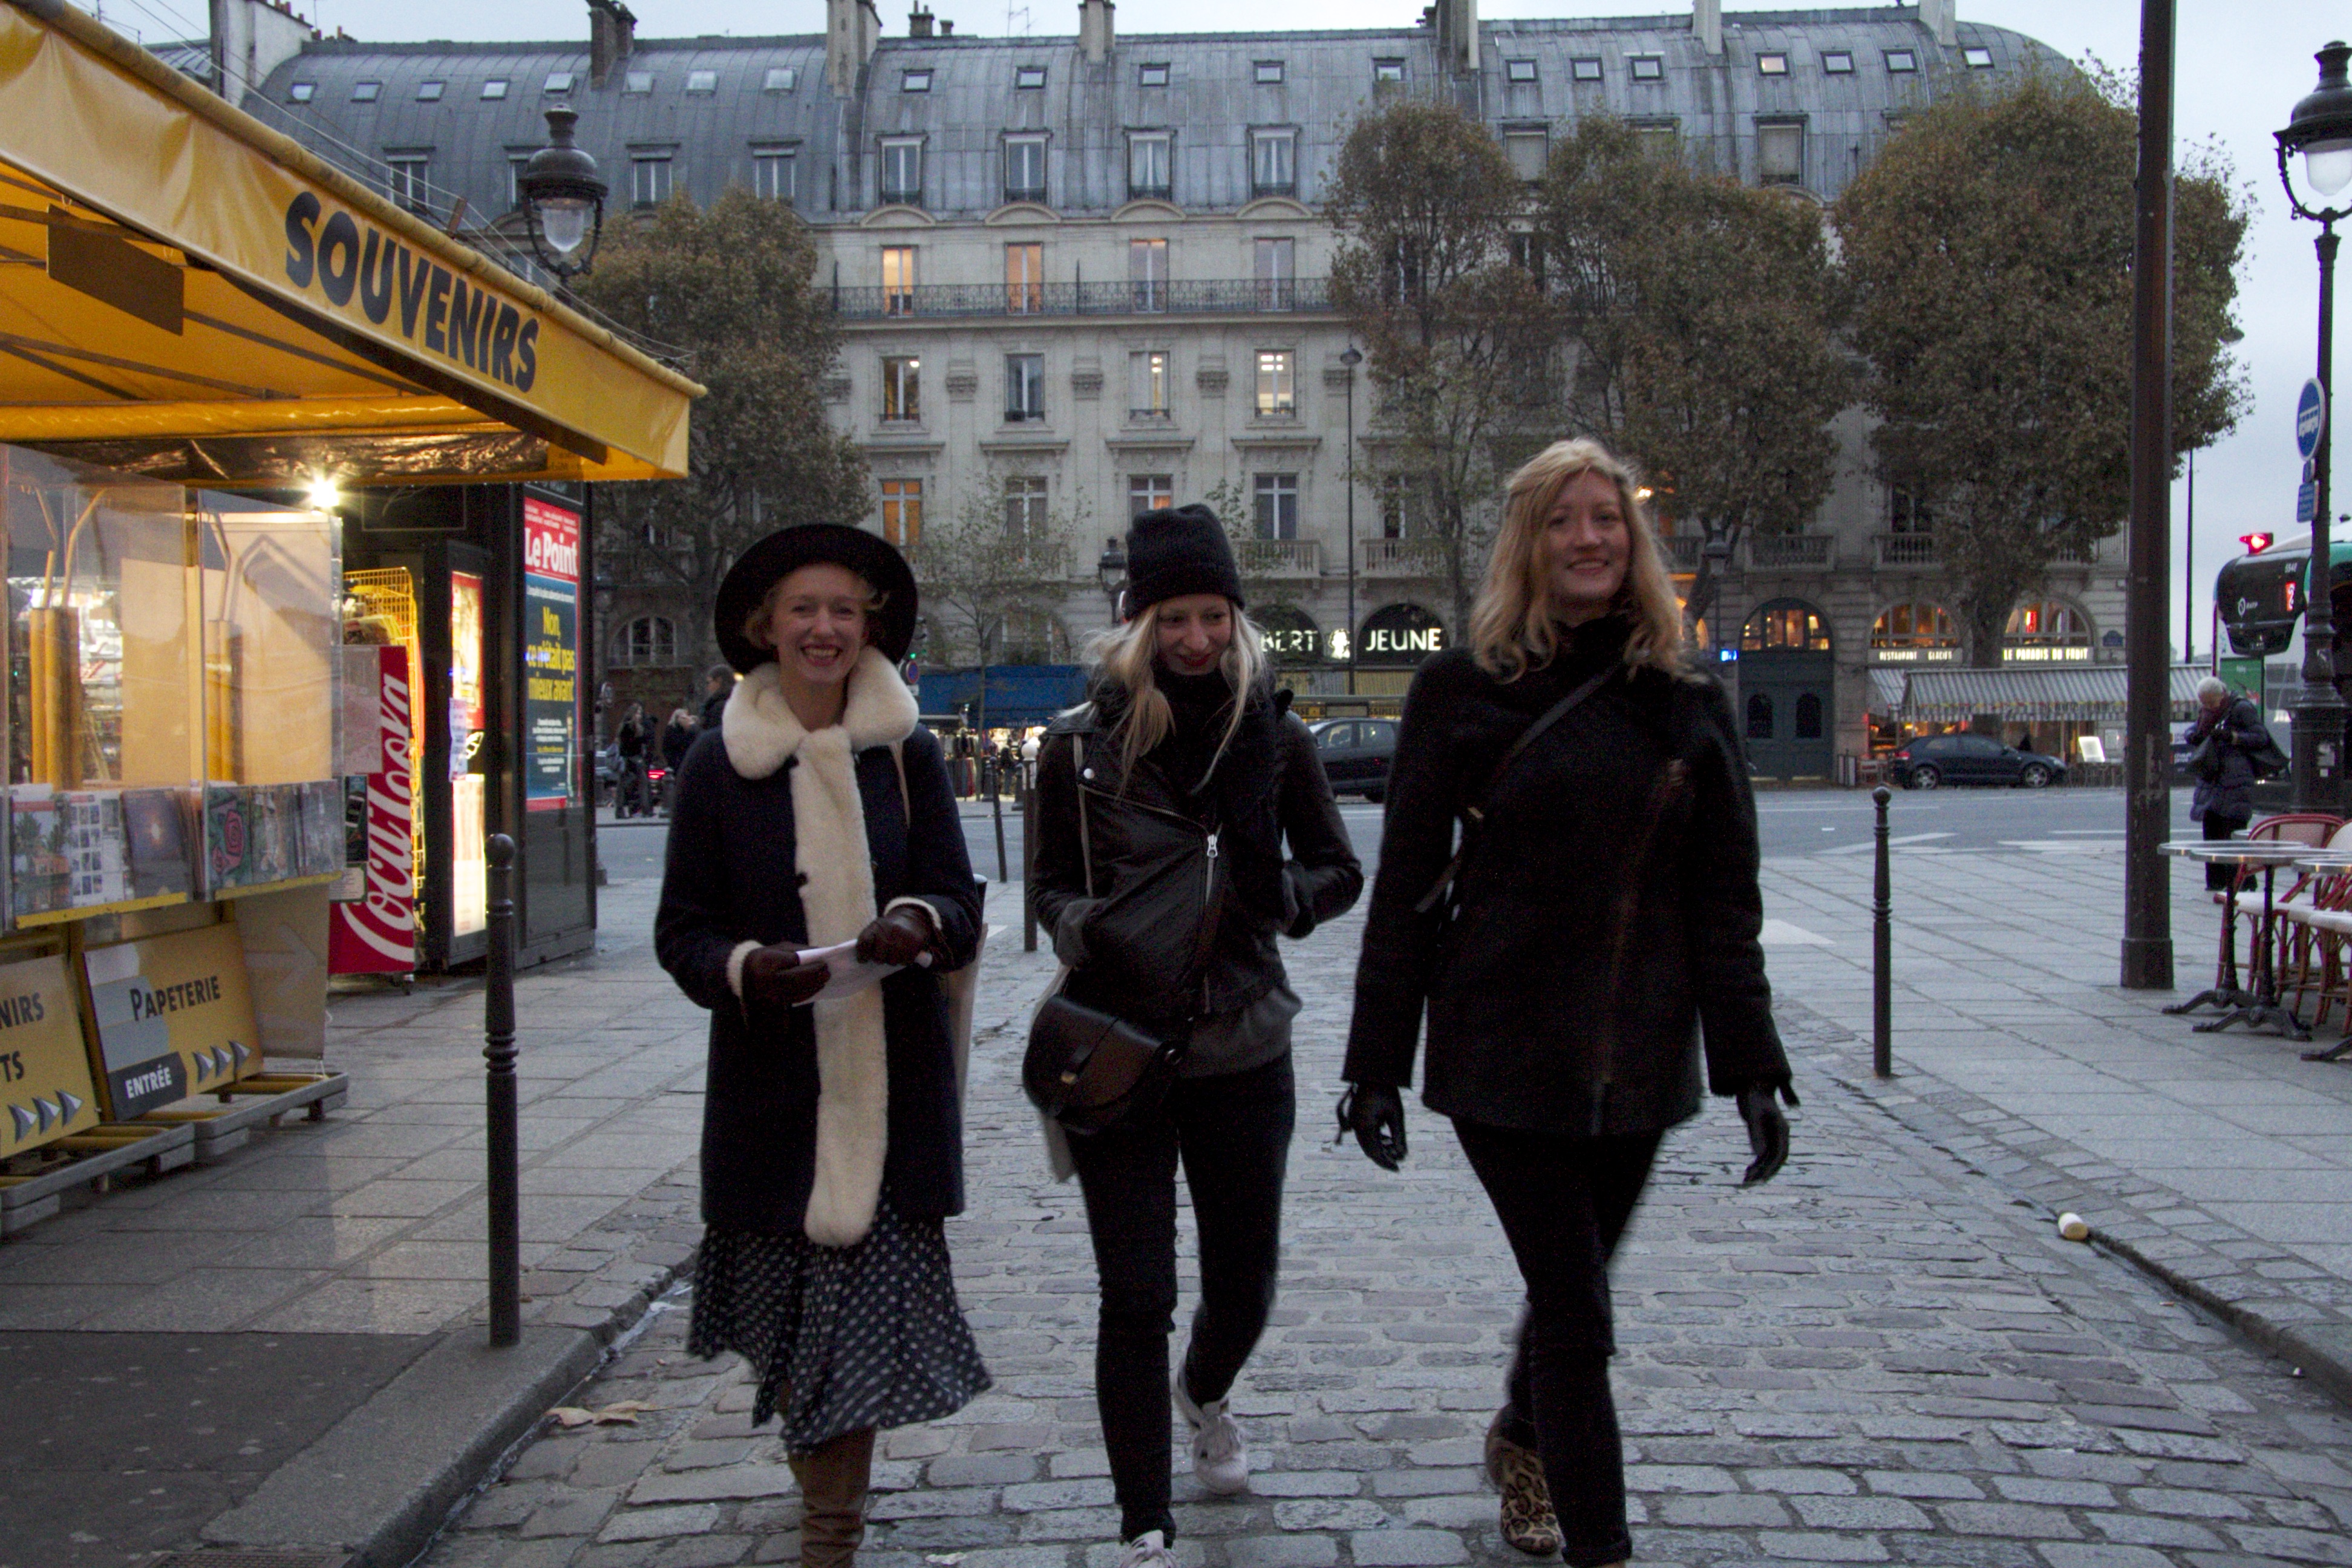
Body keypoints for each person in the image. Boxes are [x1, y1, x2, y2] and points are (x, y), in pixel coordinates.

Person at [1339, 439, 1797, 1568]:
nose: (1588, 538)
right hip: (1502, 1049)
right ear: (1526, 544)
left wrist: (1749, 1065)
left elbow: (1720, 903)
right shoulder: (1460, 689)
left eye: (1607, 519)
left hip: (1641, 1051)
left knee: (1570, 1288)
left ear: (1634, 543)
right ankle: (1605, 1549)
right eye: (1561, 520)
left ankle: (1519, 1437)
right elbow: (1400, 892)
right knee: (1580, 1315)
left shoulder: (1687, 698)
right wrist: (1373, 1064)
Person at [1031, 505, 1363, 1568]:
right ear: (1137, 622)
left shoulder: (1275, 733)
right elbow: (1047, 886)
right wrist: (1100, 928)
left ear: (1235, 615)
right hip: (1120, 1043)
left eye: (1212, 616)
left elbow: (1337, 868)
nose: (1194, 640)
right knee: (1134, 1293)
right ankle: (1143, 1523)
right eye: (1171, 617)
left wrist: (1285, 901)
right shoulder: (1077, 748)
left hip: (1242, 1044)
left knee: (1243, 1285)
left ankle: (1206, 1389)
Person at [656, 524, 990, 1568]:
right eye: (804, 608)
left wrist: (916, 922)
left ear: (868, 627)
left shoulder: (908, 753)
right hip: (773, 1104)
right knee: (800, 1341)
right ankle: (824, 1500)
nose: (824, 627)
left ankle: (827, 1536)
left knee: (851, 1338)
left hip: (890, 1100)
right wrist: (751, 966)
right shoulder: (718, 762)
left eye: (843, 610)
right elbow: (683, 932)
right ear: (765, 626)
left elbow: (961, 900)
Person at [2187, 676, 2272, 891]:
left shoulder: (2241, 708)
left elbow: (2260, 737)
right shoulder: (2206, 713)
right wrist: (2194, 736)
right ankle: (2216, 881)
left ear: (2222, 695)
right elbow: (2193, 730)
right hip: (2212, 777)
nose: (2207, 707)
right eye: (2203, 703)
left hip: (2236, 778)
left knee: (2232, 830)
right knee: (2212, 830)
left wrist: (2232, 737)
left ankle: (2241, 880)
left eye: (2211, 702)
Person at [660, 707, 697, 816]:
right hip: (677, 761)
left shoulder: (690, 730)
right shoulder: (672, 730)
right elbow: (669, 746)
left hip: (686, 759)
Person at [615, 704, 651, 817]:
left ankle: (620, 810)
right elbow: (640, 741)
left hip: (625, 758)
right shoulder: (634, 727)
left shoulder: (623, 726)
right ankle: (645, 809)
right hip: (634, 758)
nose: (639, 716)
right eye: (638, 713)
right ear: (633, 714)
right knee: (643, 783)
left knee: (622, 786)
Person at [701, 661, 736, 733]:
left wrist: (692, 727)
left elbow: (711, 735)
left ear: (719, 681)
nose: (708, 687)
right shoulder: (736, 700)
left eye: (709, 682)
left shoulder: (719, 706)